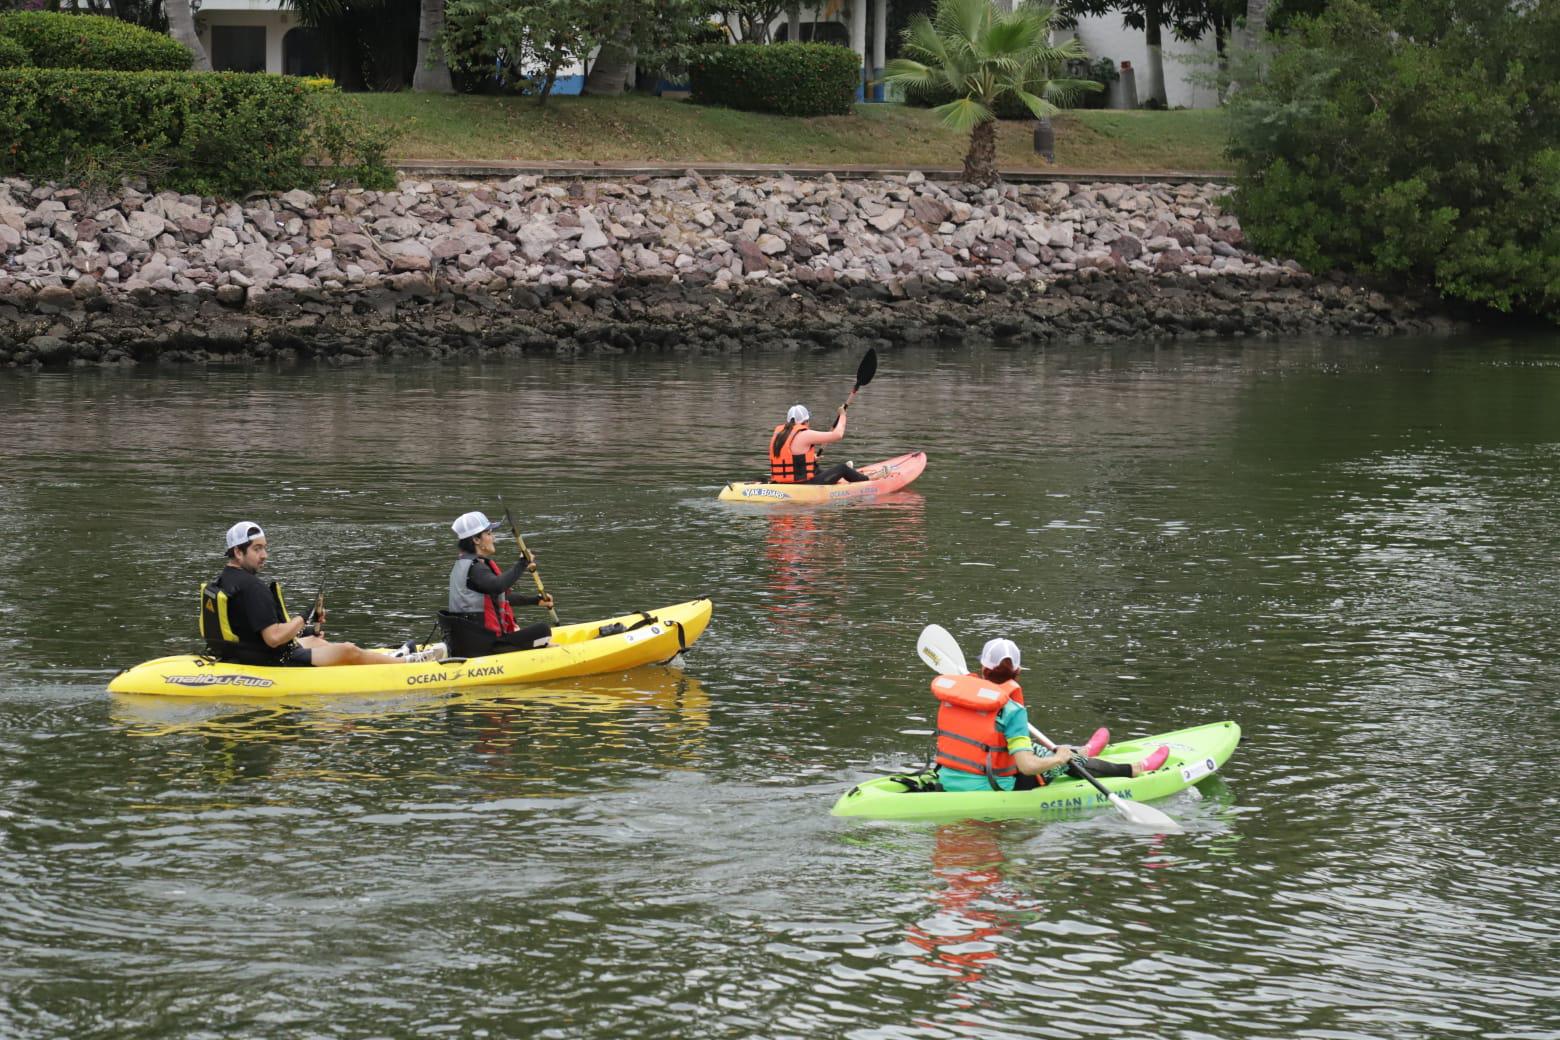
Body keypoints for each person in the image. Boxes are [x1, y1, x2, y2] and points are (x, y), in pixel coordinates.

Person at [933, 638, 1169, 793]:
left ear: (983, 669)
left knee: (1039, 750)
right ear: (1017, 671)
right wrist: (1058, 759)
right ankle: (1134, 769)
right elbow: (1026, 767)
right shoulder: (1013, 711)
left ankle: (1083, 751)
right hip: (994, 787)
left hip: (948, 780)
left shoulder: (953, 699)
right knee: (1059, 759)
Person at [200, 522, 405, 667]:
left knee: (316, 641)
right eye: (257, 549)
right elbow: (274, 638)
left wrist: (304, 630)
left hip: (241, 653)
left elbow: (248, 630)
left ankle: (389, 657)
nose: (265, 555)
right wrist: (304, 617)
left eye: (264, 548)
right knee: (348, 649)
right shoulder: (252, 587)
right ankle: (405, 664)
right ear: (238, 552)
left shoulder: (224, 579)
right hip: (273, 660)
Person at [443, 510, 556, 658]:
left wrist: (535, 600)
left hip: (470, 643)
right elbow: (498, 586)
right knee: (543, 630)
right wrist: (522, 563)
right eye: (489, 534)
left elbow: (500, 597)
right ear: (476, 540)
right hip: (485, 647)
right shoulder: (475, 568)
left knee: (539, 631)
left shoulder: (465, 564)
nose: (493, 537)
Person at [768, 404, 870, 485]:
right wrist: (843, 415)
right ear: (806, 421)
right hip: (803, 484)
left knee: (815, 468)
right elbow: (838, 434)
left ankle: (849, 474)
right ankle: (868, 480)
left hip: (780, 482)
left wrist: (811, 459)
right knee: (842, 469)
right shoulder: (804, 434)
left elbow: (789, 456)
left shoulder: (778, 435)